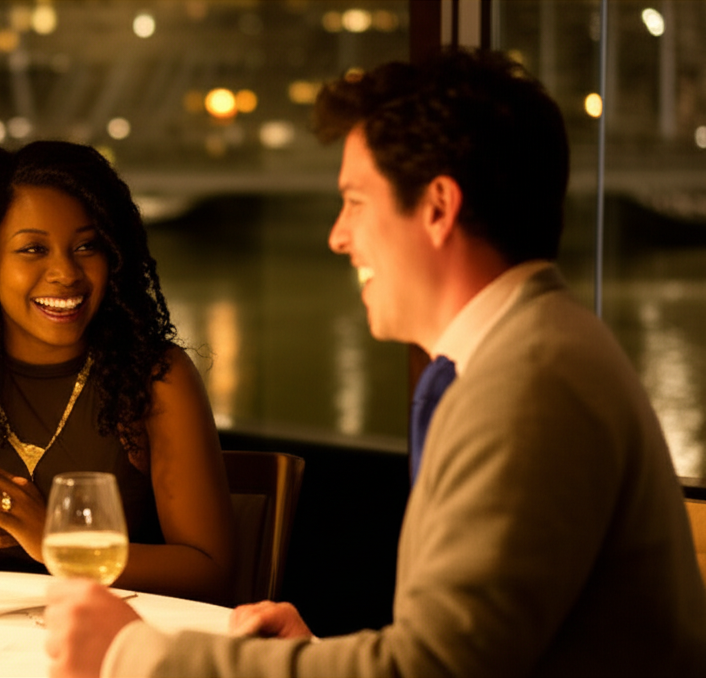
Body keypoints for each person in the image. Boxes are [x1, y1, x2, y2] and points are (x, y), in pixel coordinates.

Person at [43, 49, 706, 676]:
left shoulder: (529, 386)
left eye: (356, 202)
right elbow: (460, 652)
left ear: (438, 208)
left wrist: (138, 657)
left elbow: (431, 671)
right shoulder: (534, 351)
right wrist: (318, 656)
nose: (337, 235)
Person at [0, 140, 236, 604]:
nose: (66, 272)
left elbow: (210, 572)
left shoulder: (157, 378)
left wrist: (58, 546)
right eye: (33, 249)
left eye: (86, 246)